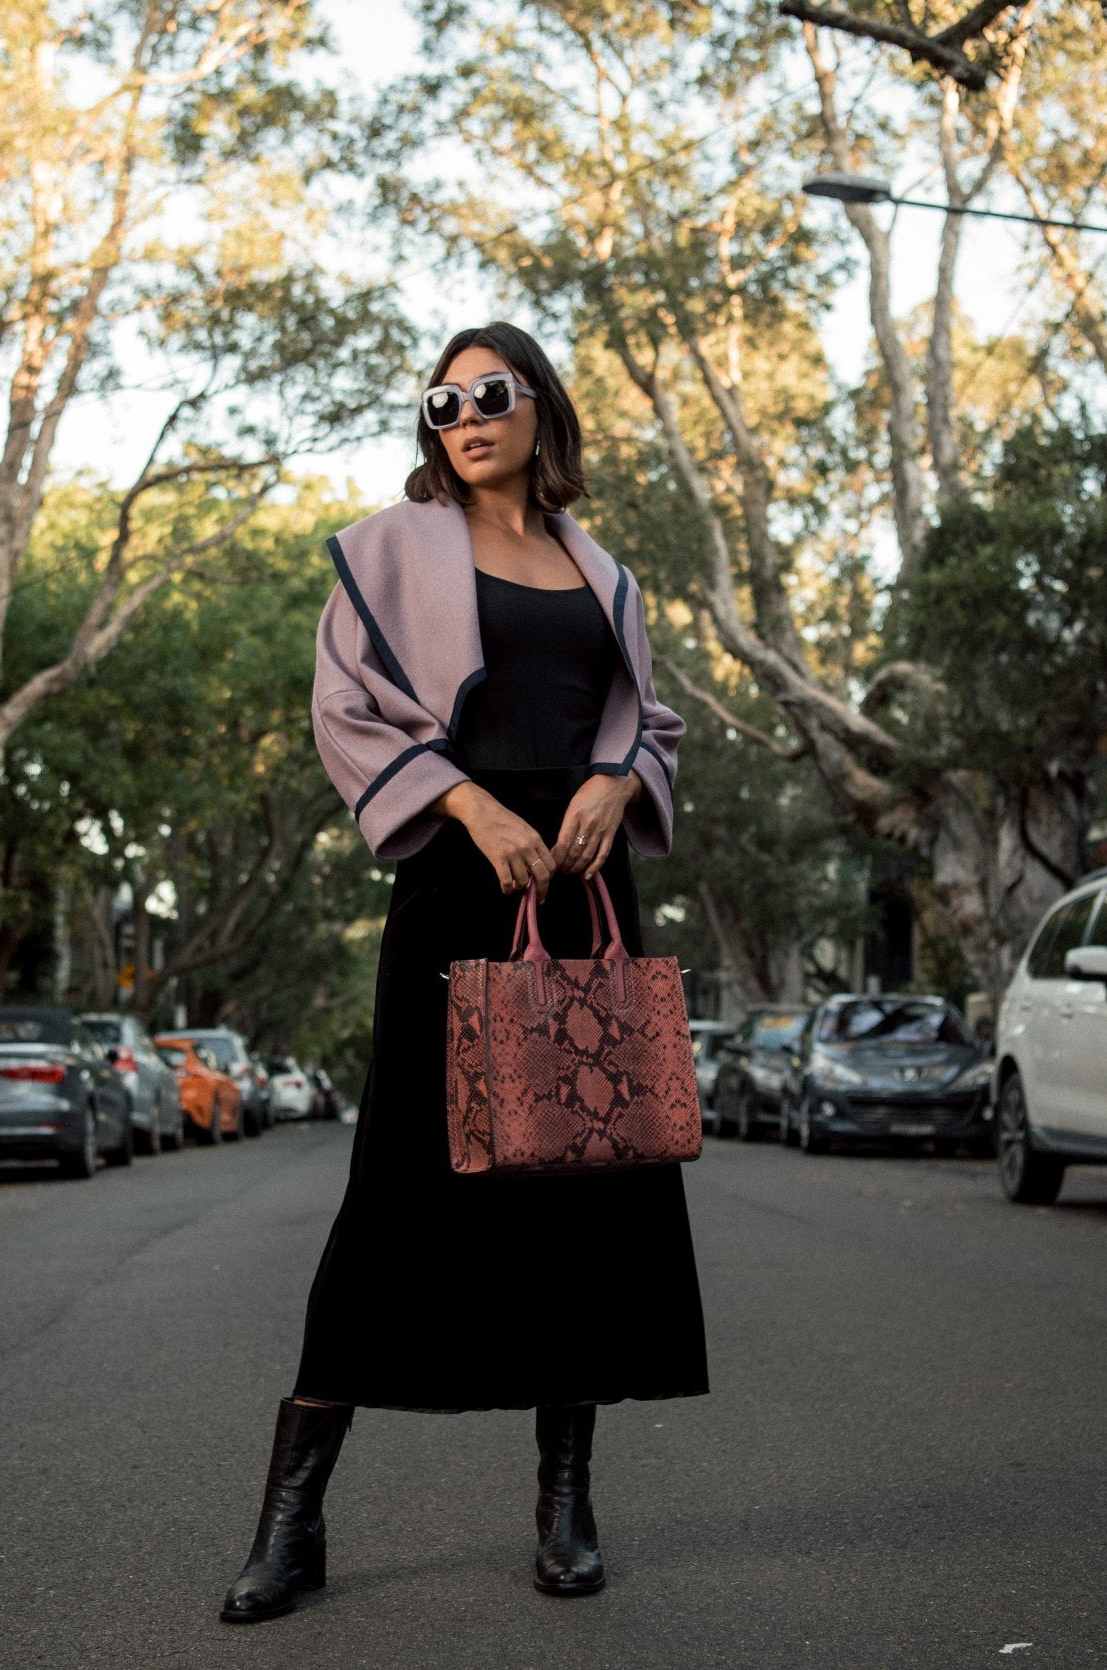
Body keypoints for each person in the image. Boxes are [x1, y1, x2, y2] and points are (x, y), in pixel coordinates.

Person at [220, 322, 708, 1624]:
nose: (467, 415)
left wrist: (615, 779)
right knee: (394, 1196)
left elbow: (648, 720)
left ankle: (565, 1503)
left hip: (589, 882)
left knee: (585, 1195)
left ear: (541, 408)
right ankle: (293, 1517)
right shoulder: (389, 551)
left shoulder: (602, 569)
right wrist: (468, 806)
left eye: (492, 393)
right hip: (457, 884)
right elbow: (347, 707)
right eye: (444, 400)